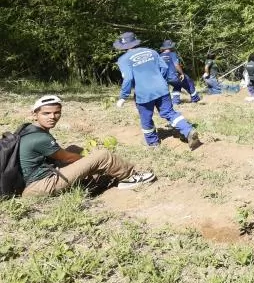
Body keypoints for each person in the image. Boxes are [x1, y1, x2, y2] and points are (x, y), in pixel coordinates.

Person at [19, 95, 156, 196]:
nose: (52, 117)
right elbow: (67, 158)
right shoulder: (40, 138)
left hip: (35, 179)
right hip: (40, 186)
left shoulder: (28, 129)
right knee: (103, 156)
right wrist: (93, 163)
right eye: (46, 113)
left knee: (74, 149)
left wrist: (89, 164)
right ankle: (130, 177)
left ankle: (94, 177)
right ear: (34, 115)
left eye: (57, 112)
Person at [113, 31, 201, 150]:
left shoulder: (123, 59)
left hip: (143, 94)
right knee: (169, 112)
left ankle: (153, 144)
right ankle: (188, 130)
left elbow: (128, 78)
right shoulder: (152, 52)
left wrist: (123, 96)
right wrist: (159, 81)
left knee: (146, 118)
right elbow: (164, 68)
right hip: (162, 89)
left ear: (123, 46)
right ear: (135, 42)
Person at [160, 40, 201, 105]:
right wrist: (182, 73)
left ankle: (175, 101)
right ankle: (195, 99)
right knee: (189, 82)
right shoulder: (172, 54)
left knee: (177, 85)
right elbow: (176, 65)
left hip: (165, 78)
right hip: (174, 76)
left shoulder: (160, 56)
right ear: (170, 47)